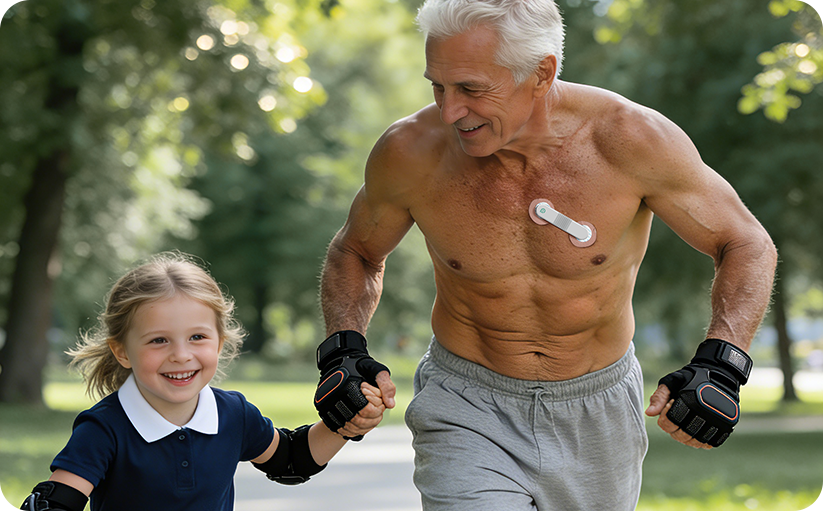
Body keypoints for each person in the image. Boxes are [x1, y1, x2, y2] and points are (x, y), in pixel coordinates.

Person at [316, 0, 778, 509]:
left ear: (542, 73)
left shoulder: (630, 140)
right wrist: (344, 347)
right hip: (466, 401)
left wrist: (723, 363)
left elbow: (745, 242)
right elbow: (355, 250)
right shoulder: (410, 152)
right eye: (438, 86)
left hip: (597, 407)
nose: (450, 111)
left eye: (471, 89)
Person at [20, 252, 385, 511]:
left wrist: (344, 423)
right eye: (158, 340)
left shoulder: (233, 414)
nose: (181, 355)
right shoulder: (106, 426)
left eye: (197, 338)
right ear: (122, 352)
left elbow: (290, 460)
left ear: (220, 343)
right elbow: (56, 502)